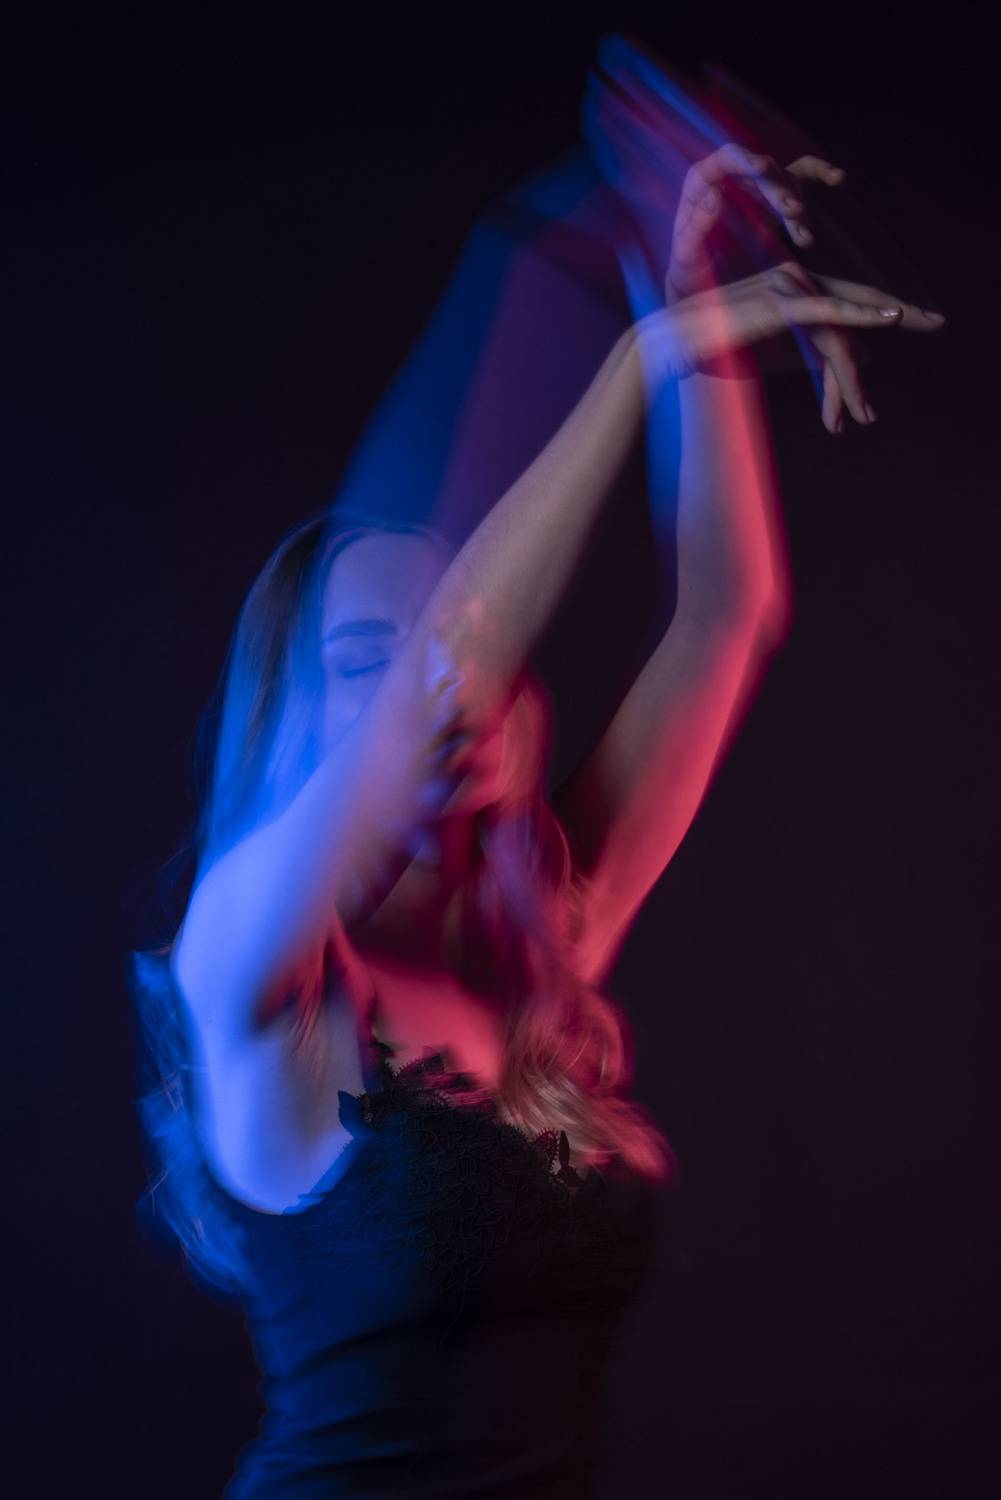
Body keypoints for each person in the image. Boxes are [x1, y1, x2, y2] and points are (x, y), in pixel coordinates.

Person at [132, 43, 944, 1499]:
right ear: (301, 740)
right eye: (363, 662)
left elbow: (725, 615)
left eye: (483, 635)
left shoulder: (550, 954)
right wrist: (638, 361)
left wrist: (688, 328)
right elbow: (448, 670)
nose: (457, 672)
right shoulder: (254, 974)